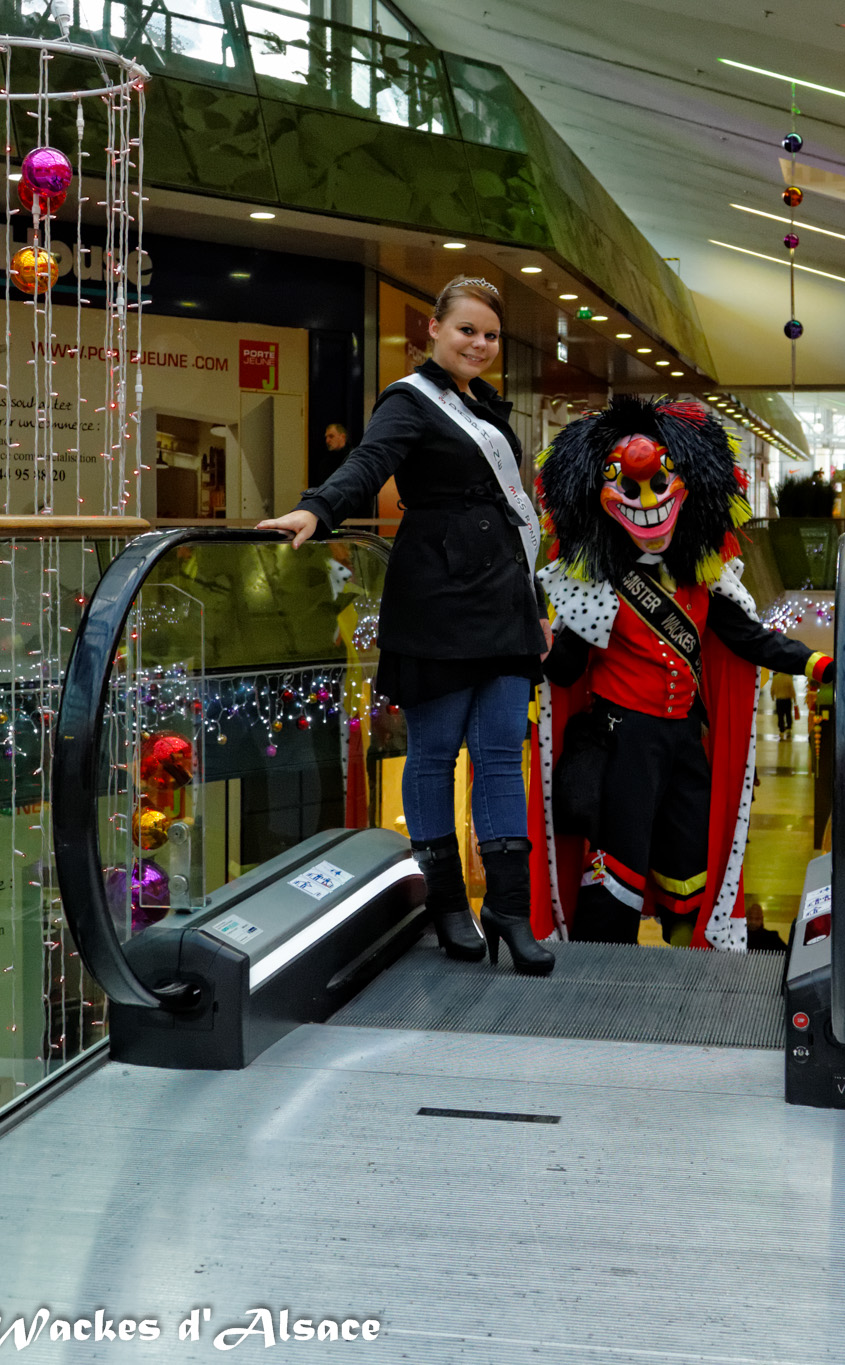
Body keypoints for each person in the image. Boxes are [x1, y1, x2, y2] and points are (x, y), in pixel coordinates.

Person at [257, 276, 555, 977]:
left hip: (506, 601)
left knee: (501, 751)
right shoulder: (409, 399)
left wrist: (535, 602)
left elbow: (516, 511)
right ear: (434, 329)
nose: (479, 344)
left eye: (490, 335)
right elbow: (369, 464)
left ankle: (509, 907)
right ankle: (448, 903)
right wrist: (317, 509)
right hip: (441, 600)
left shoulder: (485, 406)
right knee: (433, 755)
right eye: (466, 331)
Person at [530, 396, 834, 950]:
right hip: (625, 744)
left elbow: (748, 638)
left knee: (690, 854)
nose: (648, 500)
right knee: (619, 858)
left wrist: (814, 662)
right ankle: (602, 969)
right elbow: (566, 666)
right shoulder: (594, 584)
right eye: (630, 488)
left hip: (684, 740)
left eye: (660, 483)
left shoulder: (701, 577)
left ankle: (689, 961)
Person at [771, 670, 797, 742]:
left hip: (779, 700)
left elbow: (772, 689)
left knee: (780, 715)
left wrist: (772, 696)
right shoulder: (789, 678)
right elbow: (792, 689)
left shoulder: (775, 678)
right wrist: (794, 698)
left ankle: (781, 730)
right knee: (788, 714)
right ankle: (789, 728)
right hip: (787, 700)